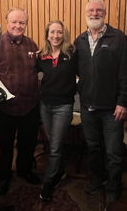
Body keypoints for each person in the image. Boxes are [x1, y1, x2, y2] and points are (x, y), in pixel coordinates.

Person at [73, 0, 127, 203]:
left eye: (99, 10)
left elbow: (126, 74)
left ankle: (114, 186)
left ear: (105, 13)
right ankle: (98, 178)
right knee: (93, 147)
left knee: (114, 151)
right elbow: (74, 70)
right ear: (85, 13)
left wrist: (123, 102)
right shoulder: (79, 41)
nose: (94, 13)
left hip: (112, 109)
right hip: (87, 106)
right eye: (90, 10)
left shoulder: (118, 38)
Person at [0, 7, 41, 196]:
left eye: (22, 22)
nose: (18, 25)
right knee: (6, 145)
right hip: (6, 108)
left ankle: (25, 171)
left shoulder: (32, 45)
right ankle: (4, 177)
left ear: (26, 24)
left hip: (30, 106)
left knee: (28, 143)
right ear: (7, 23)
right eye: (14, 22)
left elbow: (38, 71)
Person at [36, 20, 77, 201]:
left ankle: (48, 182)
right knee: (53, 142)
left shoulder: (72, 54)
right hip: (45, 105)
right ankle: (59, 171)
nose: (55, 36)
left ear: (64, 34)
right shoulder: (41, 55)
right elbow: (35, 75)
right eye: (52, 32)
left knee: (54, 148)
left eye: (59, 32)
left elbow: (84, 74)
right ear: (47, 35)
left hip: (63, 106)